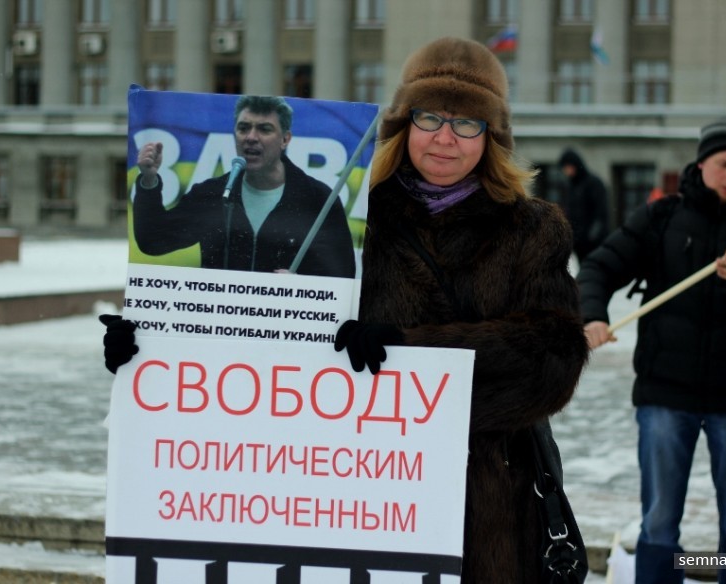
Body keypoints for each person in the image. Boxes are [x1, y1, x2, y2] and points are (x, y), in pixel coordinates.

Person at [331, 37, 589, 583]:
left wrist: (410, 354)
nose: (445, 138)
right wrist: (158, 339)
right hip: (364, 486)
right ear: (403, 125)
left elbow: (554, 356)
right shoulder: (347, 220)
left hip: (489, 501)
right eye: (429, 117)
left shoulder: (533, 228)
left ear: (491, 137)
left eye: (467, 123)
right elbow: (275, 331)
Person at [577, 119, 726, 584]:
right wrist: (593, 316)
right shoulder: (661, 217)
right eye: (724, 164)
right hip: (664, 396)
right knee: (658, 519)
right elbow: (598, 267)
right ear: (702, 163)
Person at [133, 95, 356, 277]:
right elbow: (153, 241)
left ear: (285, 139)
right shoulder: (212, 194)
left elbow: (342, 275)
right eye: (243, 128)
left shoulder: (318, 199)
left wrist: (302, 286)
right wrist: (149, 181)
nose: (251, 137)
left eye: (264, 129)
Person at [557, 148, 609, 262]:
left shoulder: (593, 183)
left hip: (593, 244)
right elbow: (567, 210)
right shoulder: (570, 186)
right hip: (577, 242)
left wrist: (592, 237)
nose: (566, 171)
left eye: (568, 167)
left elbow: (601, 213)